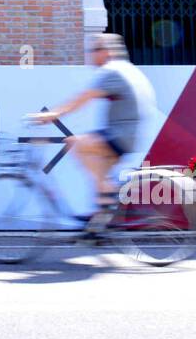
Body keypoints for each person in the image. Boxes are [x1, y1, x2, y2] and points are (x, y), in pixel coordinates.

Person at [30, 33, 150, 226]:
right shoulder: (126, 69)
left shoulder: (112, 71)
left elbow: (82, 99)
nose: (91, 55)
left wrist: (50, 115)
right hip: (128, 134)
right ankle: (100, 219)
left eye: (94, 50)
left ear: (106, 52)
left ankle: (107, 201)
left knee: (77, 144)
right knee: (98, 168)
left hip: (122, 135)